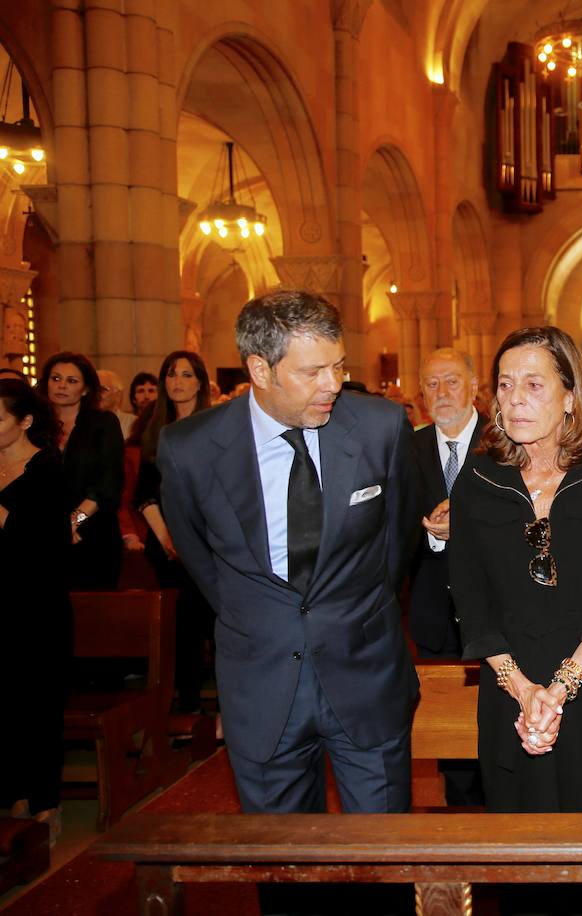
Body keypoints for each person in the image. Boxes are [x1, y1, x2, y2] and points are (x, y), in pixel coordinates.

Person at [156, 291, 422, 821]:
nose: (333, 384)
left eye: (339, 366)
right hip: (261, 684)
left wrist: (356, 612)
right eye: (313, 371)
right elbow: (202, 561)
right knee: (282, 866)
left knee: (387, 857)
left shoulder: (379, 428)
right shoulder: (190, 448)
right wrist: (261, 617)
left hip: (365, 675)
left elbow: (397, 548)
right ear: (260, 368)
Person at [448, 326, 582, 824]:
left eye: (533, 385)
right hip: (506, 689)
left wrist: (557, 690)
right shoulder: (477, 479)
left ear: (570, 397)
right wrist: (524, 691)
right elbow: (471, 602)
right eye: (506, 384)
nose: (515, 400)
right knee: (517, 858)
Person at [409, 346, 486, 807]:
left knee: (500, 724)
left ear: (474, 386)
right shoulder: (408, 449)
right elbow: (395, 531)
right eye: (432, 384)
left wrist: (469, 528)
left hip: (497, 612)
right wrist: (433, 536)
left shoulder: (505, 443)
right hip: (434, 612)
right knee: (451, 733)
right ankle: (463, 828)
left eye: (452, 381)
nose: (442, 392)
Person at [0, 378, 71, 844]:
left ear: (24, 421)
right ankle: (13, 793)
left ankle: (46, 798)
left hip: (37, 605)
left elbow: (44, 541)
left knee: (39, 704)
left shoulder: (47, 467)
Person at [133, 350, 215, 713]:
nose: (177, 381)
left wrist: (190, 538)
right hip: (166, 543)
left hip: (207, 543)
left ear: (199, 381)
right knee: (180, 627)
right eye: (171, 374)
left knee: (211, 622)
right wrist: (168, 538)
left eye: (185, 374)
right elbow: (143, 493)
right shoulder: (154, 425)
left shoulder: (212, 425)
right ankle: (188, 703)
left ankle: (228, 706)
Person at [39, 351, 124, 590]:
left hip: (94, 534)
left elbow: (108, 484)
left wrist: (74, 521)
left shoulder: (103, 423)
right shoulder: (34, 426)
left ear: (85, 389)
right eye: (55, 379)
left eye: (71, 381)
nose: (62, 386)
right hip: (43, 537)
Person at [97, 368, 137, 440]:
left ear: (117, 394)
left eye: (102, 389)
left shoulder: (133, 423)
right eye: (93, 389)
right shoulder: (82, 422)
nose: (96, 394)